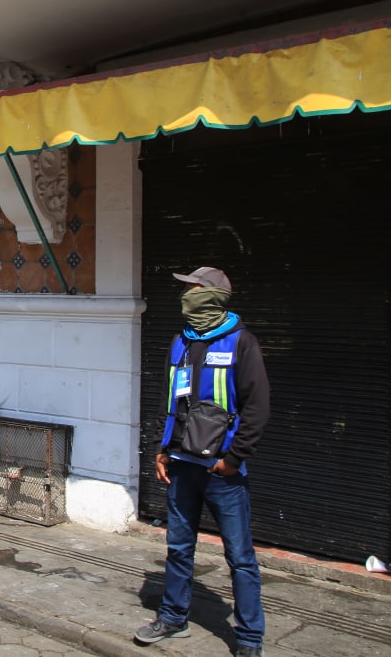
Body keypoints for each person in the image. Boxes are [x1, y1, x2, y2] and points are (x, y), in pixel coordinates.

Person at [135, 267, 271, 657]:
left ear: (211, 294)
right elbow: (170, 404)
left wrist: (234, 459)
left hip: (221, 472)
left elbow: (258, 408)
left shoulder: (242, 342)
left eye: (191, 288)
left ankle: (248, 639)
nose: (185, 296)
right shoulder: (180, 342)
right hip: (181, 466)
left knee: (240, 557)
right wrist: (162, 450)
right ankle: (173, 616)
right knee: (178, 547)